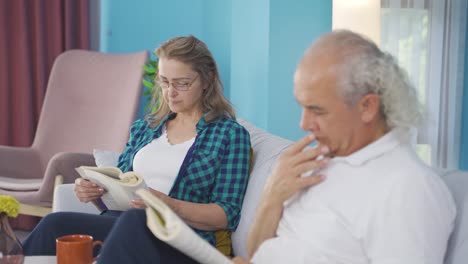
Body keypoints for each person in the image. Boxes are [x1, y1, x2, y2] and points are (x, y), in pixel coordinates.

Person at [23, 35, 252, 264]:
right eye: (164, 81)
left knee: (136, 219)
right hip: (123, 224)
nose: (170, 92)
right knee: (55, 224)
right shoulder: (146, 128)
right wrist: (96, 193)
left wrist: (168, 204)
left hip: (179, 239)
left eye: (181, 83)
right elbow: (119, 187)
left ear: (207, 80)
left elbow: (226, 215)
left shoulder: (229, 135)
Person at [234, 30, 456, 264]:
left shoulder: (408, 187)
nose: (303, 124)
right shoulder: (321, 160)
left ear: (367, 107)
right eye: (302, 107)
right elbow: (255, 254)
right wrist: (273, 194)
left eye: (317, 110)